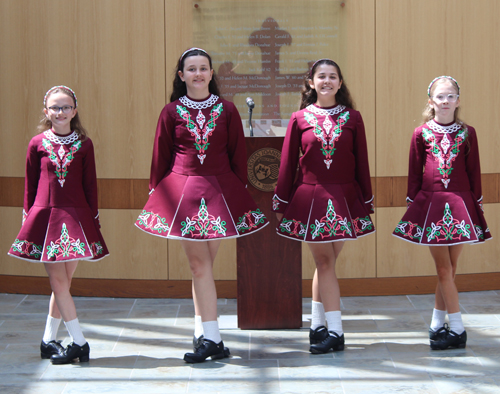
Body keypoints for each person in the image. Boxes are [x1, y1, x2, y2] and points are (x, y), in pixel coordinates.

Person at [135, 48, 268, 363]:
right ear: (181, 76)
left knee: (202, 268)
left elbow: (238, 156)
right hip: (181, 193)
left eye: (203, 69)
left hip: (221, 192)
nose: (197, 74)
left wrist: (236, 195)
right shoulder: (170, 111)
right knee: (199, 266)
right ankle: (212, 338)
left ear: (211, 74)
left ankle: (203, 332)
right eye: (191, 69)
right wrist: (158, 193)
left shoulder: (228, 110)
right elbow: (160, 156)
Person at [272, 59, 375, 354]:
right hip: (309, 199)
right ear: (311, 83)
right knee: (325, 263)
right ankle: (336, 332)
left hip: (345, 199)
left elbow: (362, 163)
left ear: (340, 83)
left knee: (325, 264)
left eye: (333, 77)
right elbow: (287, 164)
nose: (327, 81)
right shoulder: (299, 118)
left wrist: (365, 199)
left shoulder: (354, 118)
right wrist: (281, 201)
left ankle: (318, 324)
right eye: (321, 76)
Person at [8, 86, 109, 364]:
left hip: (76, 219)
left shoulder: (85, 144)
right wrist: (28, 216)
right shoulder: (36, 143)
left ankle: (47, 341)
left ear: (74, 111)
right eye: (54, 107)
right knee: (59, 281)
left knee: (63, 284)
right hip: (45, 218)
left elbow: (91, 186)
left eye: (65, 107)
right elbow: (30, 184)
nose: (60, 112)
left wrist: (93, 221)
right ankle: (79, 341)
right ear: (46, 111)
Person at [393, 76, 491, 350]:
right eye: (440, 97)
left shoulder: (468, 133)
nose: (445, 101)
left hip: (461, 205)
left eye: (450, 96)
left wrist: (476, 208)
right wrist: (415, 207)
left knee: (449, 270)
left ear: (458, 101)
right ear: (431, 101)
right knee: (443, 268)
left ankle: (437, 324)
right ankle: (458, 329)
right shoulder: (420, 133)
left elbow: (474, 173)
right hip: (432, 206)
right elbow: (414, 174)